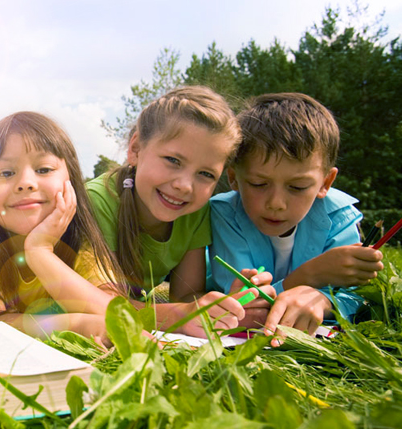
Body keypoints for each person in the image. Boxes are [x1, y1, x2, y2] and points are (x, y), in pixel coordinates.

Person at [86, 86, 271, 338]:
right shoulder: (97, 201)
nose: (184, 186)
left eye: (205, 174)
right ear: (136, 149)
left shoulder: (195, 212)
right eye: (173, 160)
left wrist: (228, 307)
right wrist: (179, 316)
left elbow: (185, 295)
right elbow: (96, 304)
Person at [209, 92, 384, 342]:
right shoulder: (224, 214)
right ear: (234, 178)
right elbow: (246, 303)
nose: (276, 204)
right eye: (259, 183)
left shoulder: (339, 216)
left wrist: (323, 301)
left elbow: (358, 298)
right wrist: (310, 276)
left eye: (298, 187)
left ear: (326, 183)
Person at [0, 111, 128, 343]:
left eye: (43, 169)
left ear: (71, 179)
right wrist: (76, 325)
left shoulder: (80, 234)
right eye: (6, 173)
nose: (26, 183)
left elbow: (118, 318)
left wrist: (39, 251)